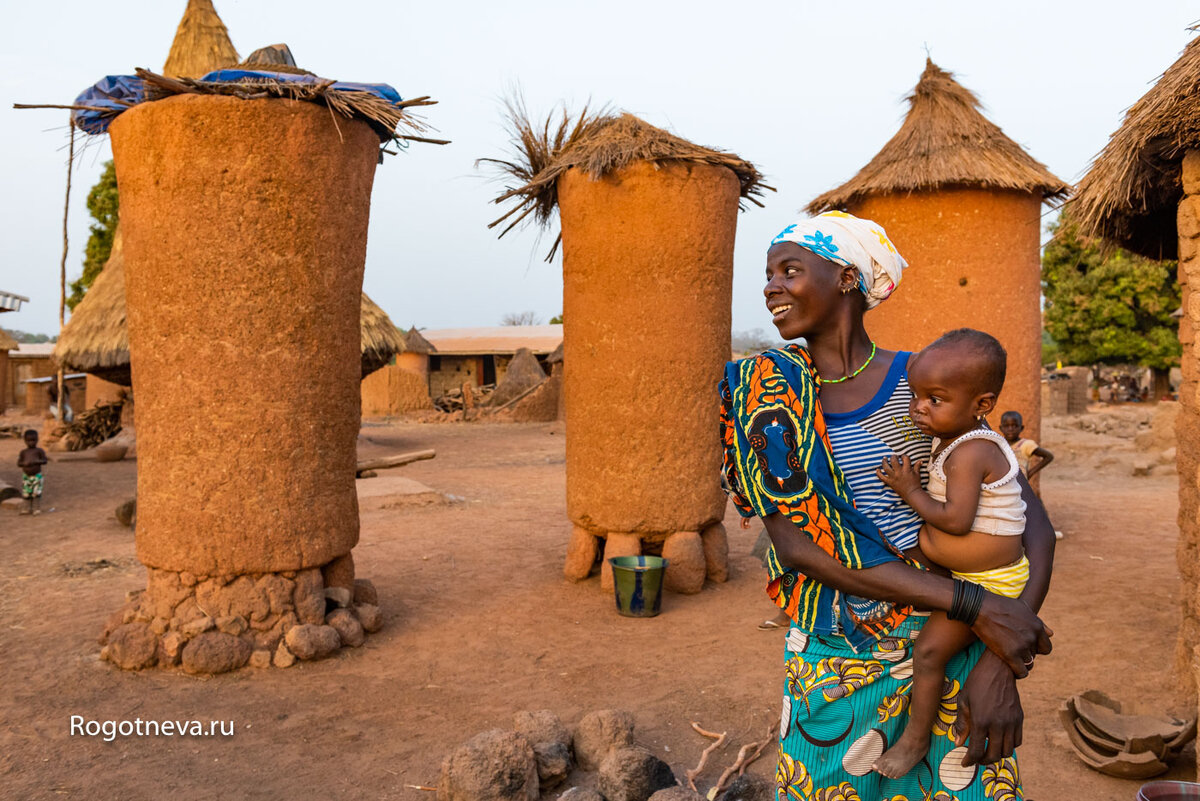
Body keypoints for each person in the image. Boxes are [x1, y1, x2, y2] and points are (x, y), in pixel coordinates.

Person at [720, 212, 1054, 801]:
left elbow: (1033, 527)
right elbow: (798, 546)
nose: (771, 285)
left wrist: (1002, 661)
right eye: (767, 273)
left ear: (847, 277)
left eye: (790, 270)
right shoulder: (768, 392)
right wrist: (977, 605)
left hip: (950, 642)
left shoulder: (927, 382)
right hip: (834, 655)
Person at [872, 329, 1029, 777]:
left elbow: (957, 521)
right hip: (969, 578)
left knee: (928, 654)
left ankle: (915, 740)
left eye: (935, 399)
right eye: (916, 395)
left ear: (982, 405)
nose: (919, 407)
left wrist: (908, 491)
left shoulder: (972, 450)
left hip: (988, 583)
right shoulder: (956, 440)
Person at [999, 410, 1054, 480]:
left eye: (1015, 426)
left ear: (1021, 428)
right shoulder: (998, 444)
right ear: (1001, 428)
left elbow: (1048, 456)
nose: (1011, 429)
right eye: (1007, 426)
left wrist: (1030, 473)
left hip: (1021, 484)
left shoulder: (1026, 445)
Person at [17, 429, 48, 516]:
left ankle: (36, 509)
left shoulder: (39, 451)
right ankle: (27, 509)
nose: (31, 442)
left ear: (37, 440)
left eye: (33, 440)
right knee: (26, 493)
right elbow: (19, 463)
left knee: (36, 493)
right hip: (26, 476)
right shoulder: (23, 452)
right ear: (25, 441)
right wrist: (24, 463)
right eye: (28, 440)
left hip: (37, 476)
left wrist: (36, 461)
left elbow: (45, 461)